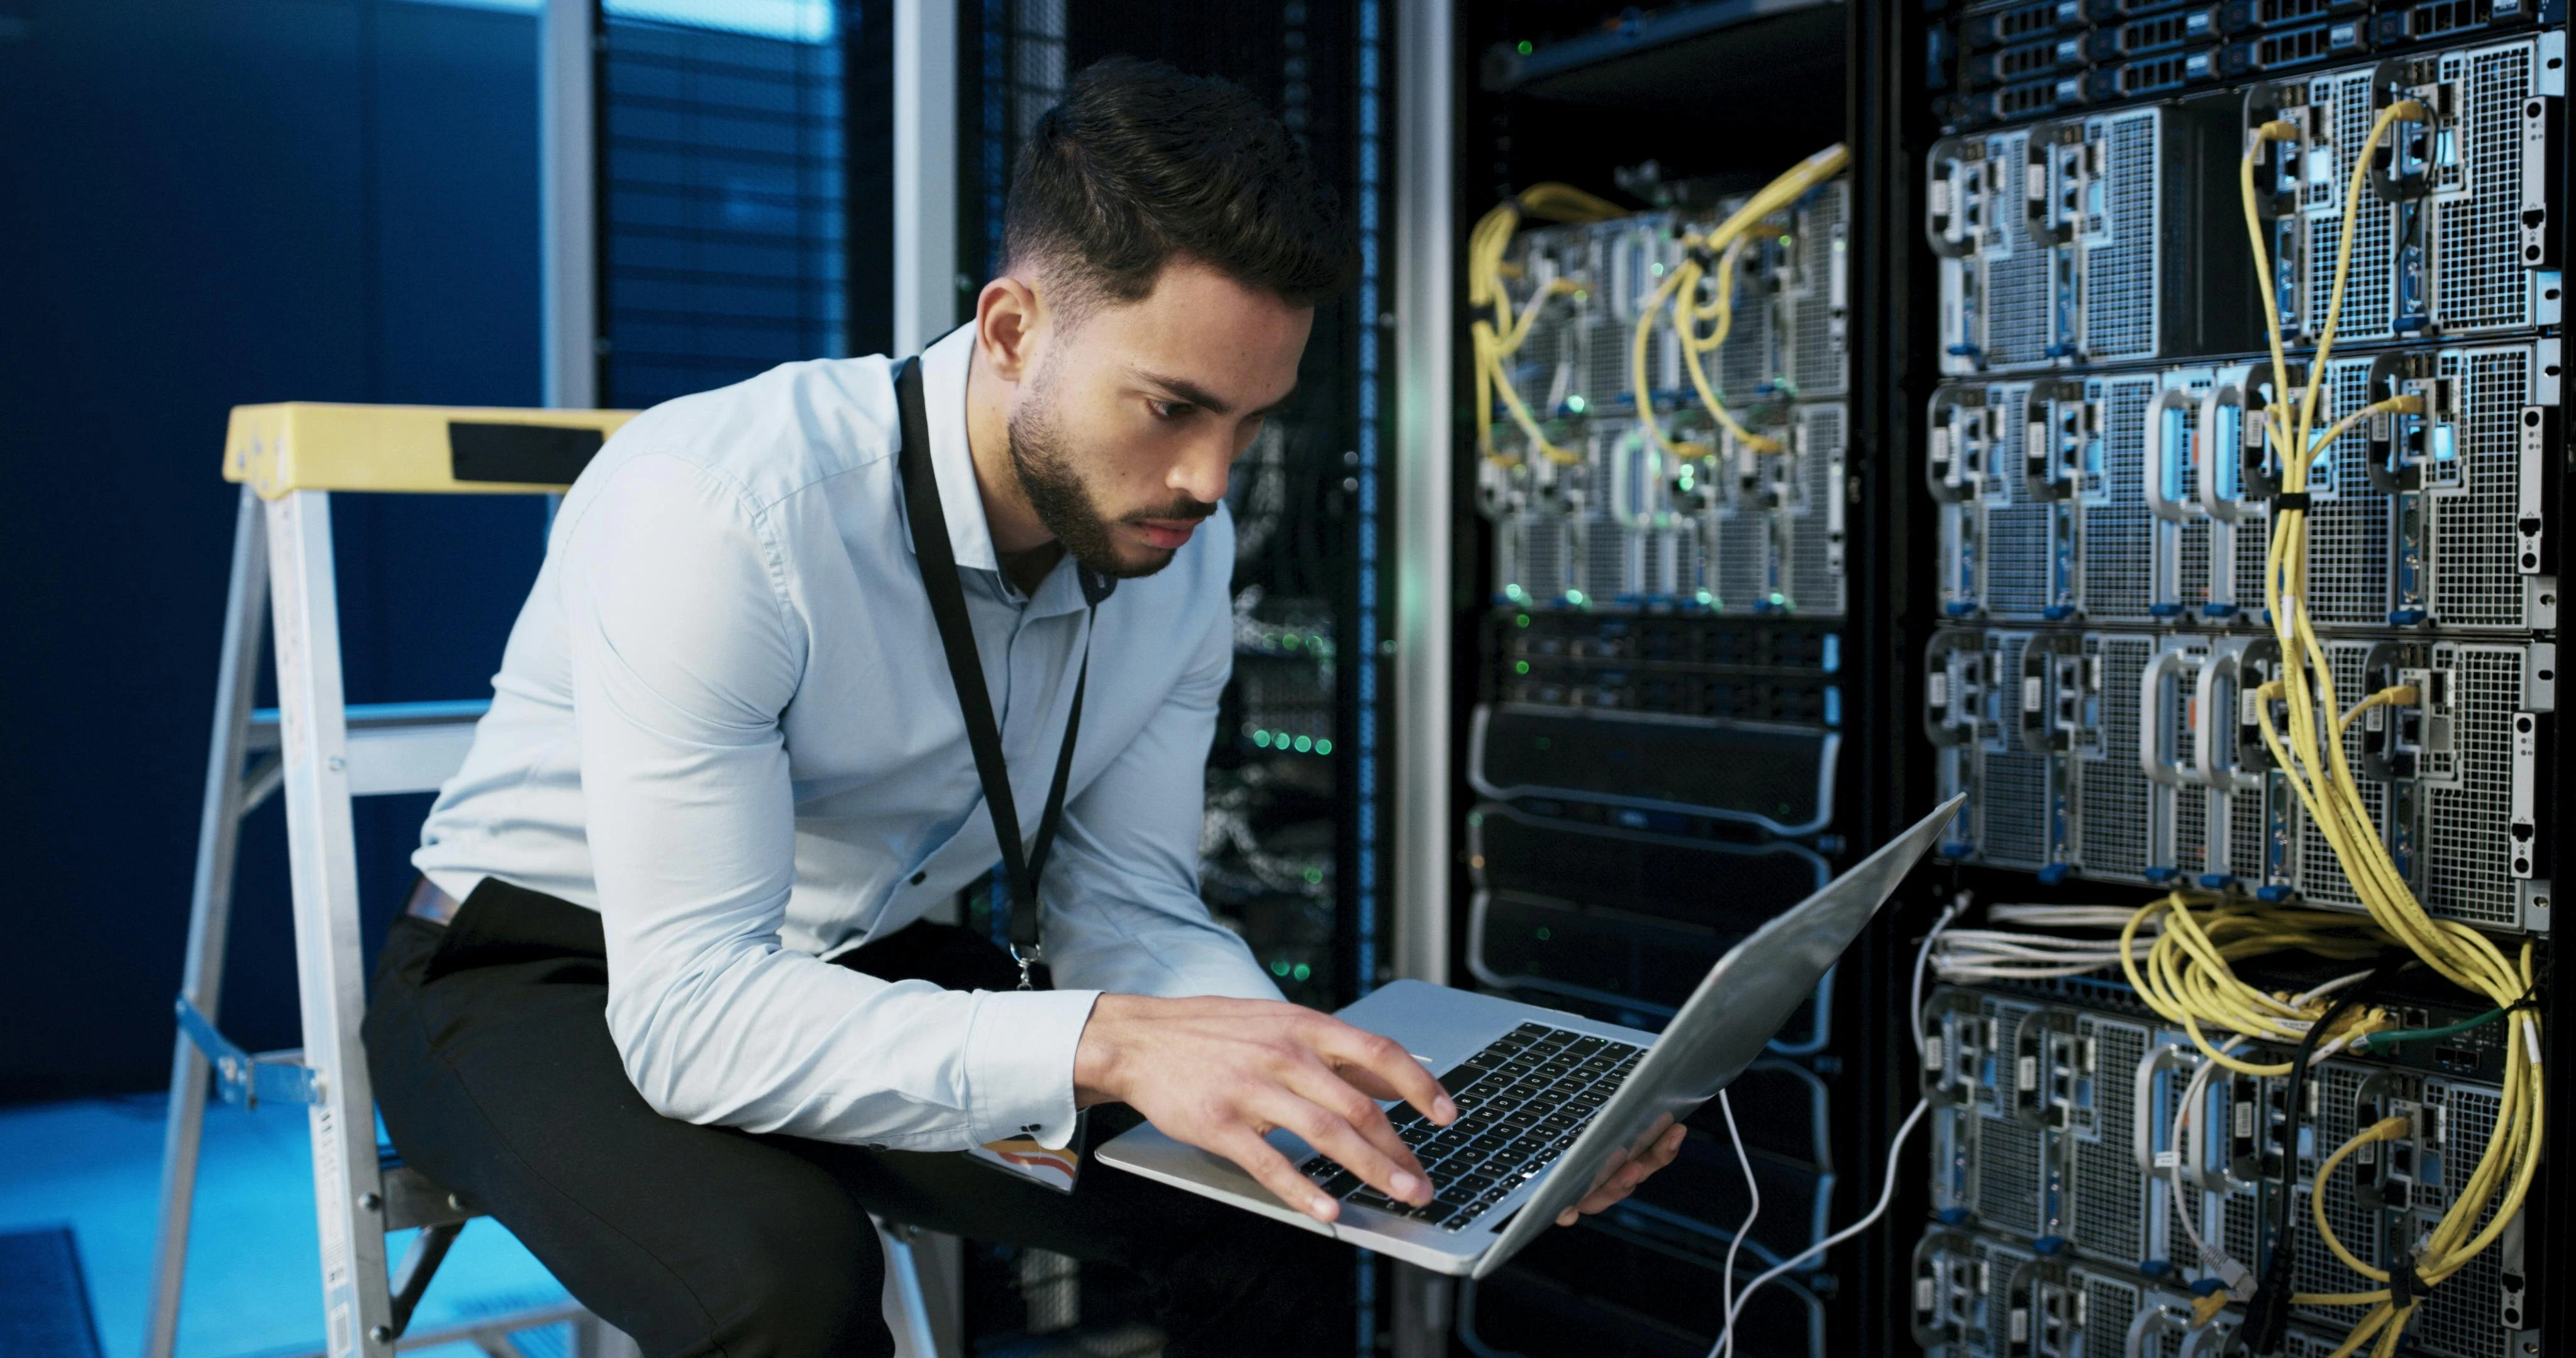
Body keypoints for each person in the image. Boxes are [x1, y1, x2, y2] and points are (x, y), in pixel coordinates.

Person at [364, 57, 1684, 1357]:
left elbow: (1126, 904)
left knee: (1274, 1192)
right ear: (1011, 331)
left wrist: (1302, 1087)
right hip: (542, 977)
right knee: (786, 1282)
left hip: (835, 962)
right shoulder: (720, 511)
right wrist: (1108, 1045)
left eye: (1250, 422)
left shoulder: (1178, 549)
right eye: (1171, 407)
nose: (1209, 481)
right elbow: (694, 1024)